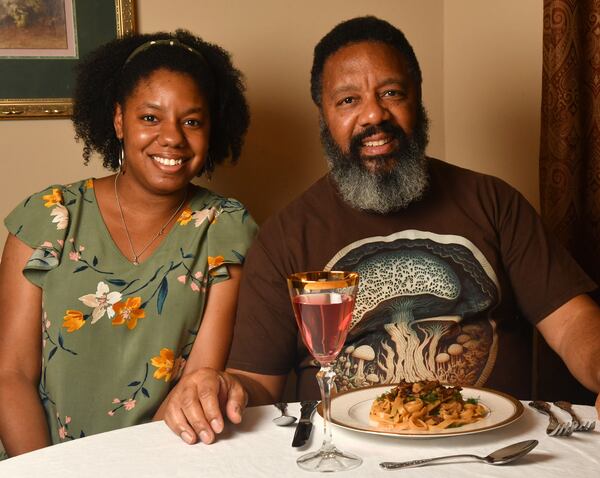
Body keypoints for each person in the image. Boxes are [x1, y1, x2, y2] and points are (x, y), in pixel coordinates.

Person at [158, 16, 600, 446]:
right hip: (349, 456)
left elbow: (572, 322)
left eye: (391, 93)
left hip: (492, 448)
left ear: (417, 100)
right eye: (348, 100)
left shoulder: (493, 201)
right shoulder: (285, 236)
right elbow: (257, 384)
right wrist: (216, 389)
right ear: (324, 116)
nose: (374, 115)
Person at [0, 30, 257, 457]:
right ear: (120, 120)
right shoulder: (47, 217)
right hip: (39, 461)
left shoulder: (225, 228)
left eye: (191, 121)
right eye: (150, 118)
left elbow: (197, 385)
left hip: (166, 460)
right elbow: (10, 374)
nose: (172, 137)